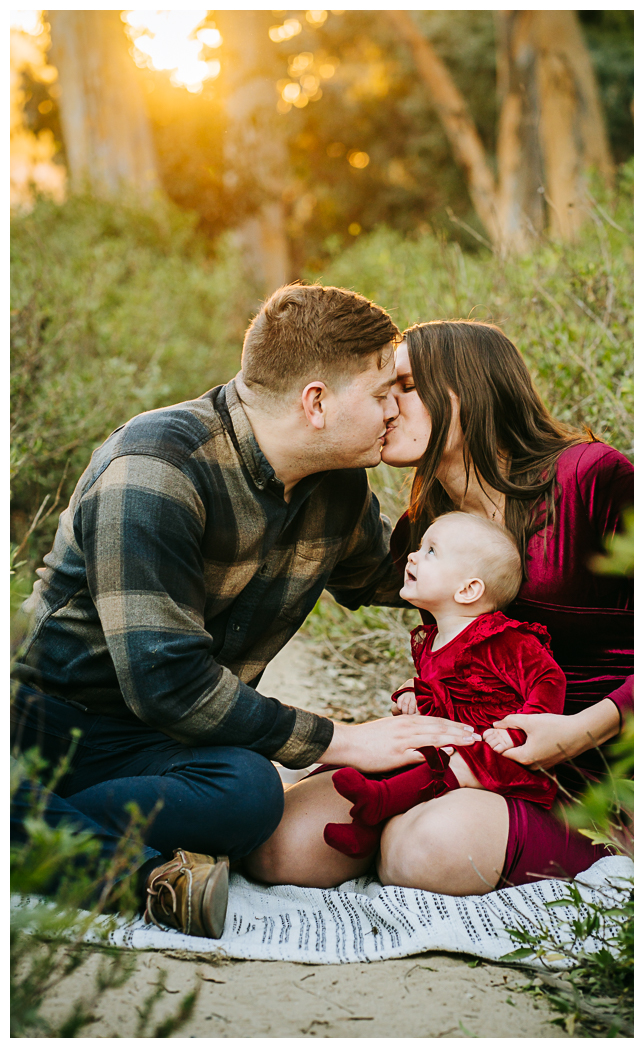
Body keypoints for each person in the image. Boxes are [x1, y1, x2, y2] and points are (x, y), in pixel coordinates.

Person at [10, 287, 484, 937]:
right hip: (45, 718)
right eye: (381, 396)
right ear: (316, 402)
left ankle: (32, 820)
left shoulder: (337, 485)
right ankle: (145, 879)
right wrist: (348, 741)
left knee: (251, 795)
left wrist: (459, 466)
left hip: (161, 744)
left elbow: (394, 580)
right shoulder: (155, 466)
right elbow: (167, 684)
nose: (394, 411)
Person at [246, 319, 634, 895]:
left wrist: (582, 730)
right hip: (460, 752)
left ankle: (432, 832)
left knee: (421, 851)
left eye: (407, 386)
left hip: (586, 774)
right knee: (276, 850)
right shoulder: (425, 522)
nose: (387, 406)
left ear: (466, 392)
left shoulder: (590, 478)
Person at [324, 511, 566, 861]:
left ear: (468, 590)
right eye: (419, 547)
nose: (413, 555)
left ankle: (379, 803)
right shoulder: (435, 639)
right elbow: (441, 692)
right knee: (409, 757)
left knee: (447, 761)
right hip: (455, 741)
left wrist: (520, 731)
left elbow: (548, 679)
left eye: (431, 552)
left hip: (498, 755)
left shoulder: (500, 639)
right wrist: (412, 693)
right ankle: (366, 832)